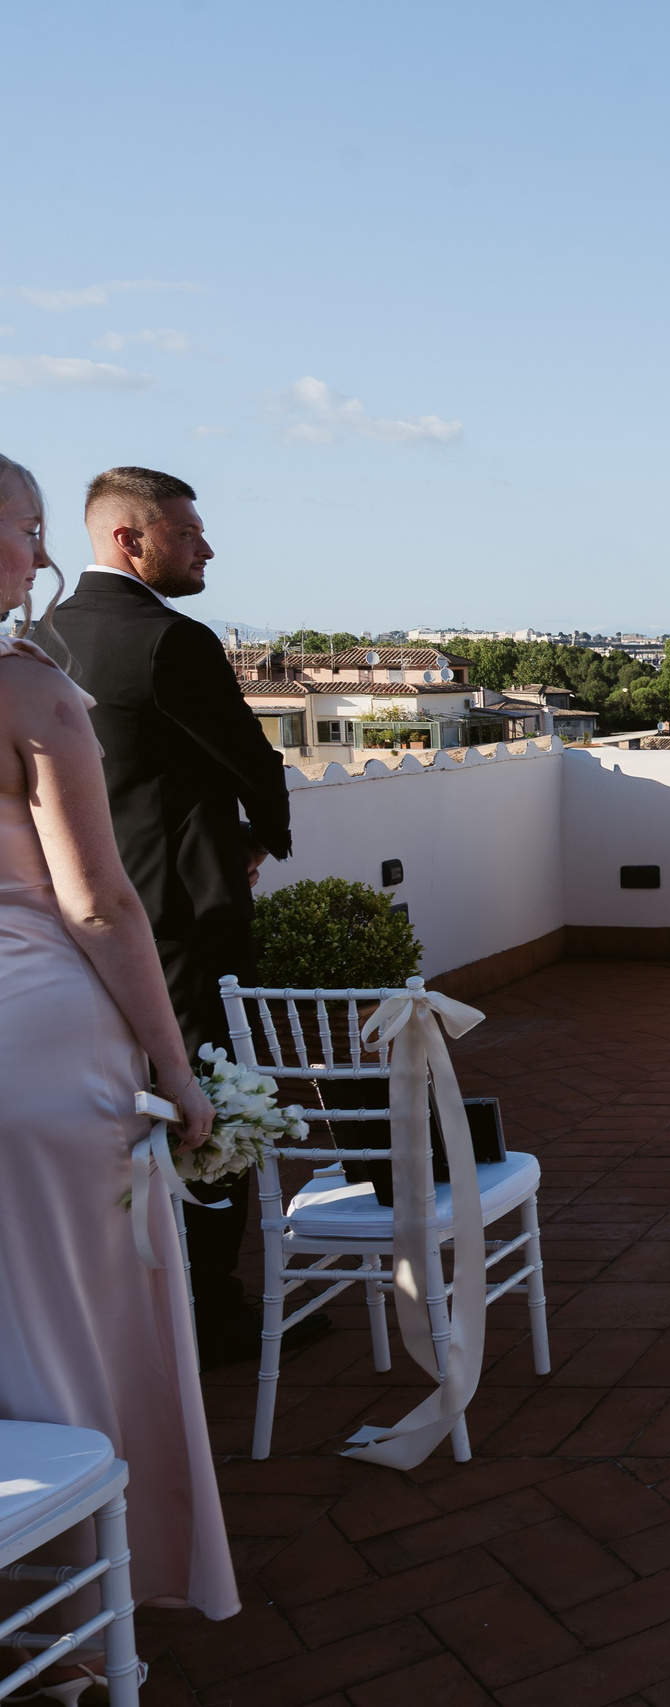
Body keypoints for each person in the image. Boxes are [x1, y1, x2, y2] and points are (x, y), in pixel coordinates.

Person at [0, 453, 237, 1631]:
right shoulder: (26, 691)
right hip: (37, 1037)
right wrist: (180, 1073)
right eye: (25, 529)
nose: (38, 555)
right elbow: (98, 901)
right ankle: (82, 1611)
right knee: (77, 1322)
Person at [48, 467, 316, 1369]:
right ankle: (213, 1312)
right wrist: (261, 839)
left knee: (105, 1108)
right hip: (183, 919)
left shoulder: (37, 638)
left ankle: (122, 1304)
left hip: (65, 922)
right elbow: (253, 757)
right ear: (132, 538)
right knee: (208, 1106)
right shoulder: (174, 641)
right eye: (190, 533)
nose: (207, 548)